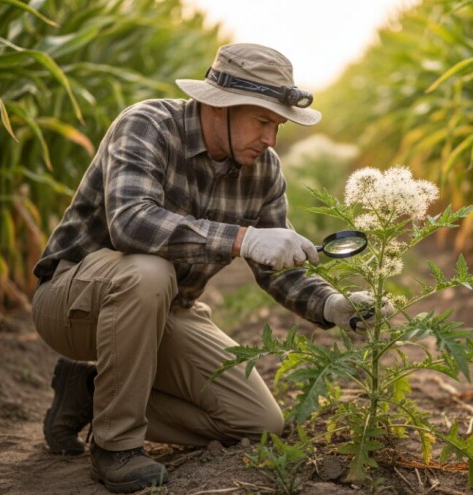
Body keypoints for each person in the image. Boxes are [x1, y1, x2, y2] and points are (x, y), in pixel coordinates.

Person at [31, 43, 378, 493]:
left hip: (167, 309)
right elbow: (132, 223)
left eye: (278, 126)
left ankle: (92, 391)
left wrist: (331, 304)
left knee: (259, 422)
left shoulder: (264, 171)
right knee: (148, 272)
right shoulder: (146, 125)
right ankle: (116, 446)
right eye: (263, 121)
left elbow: (276, 268)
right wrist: (243, 238)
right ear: (221, 106)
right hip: (74, 303)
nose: (272, 139)